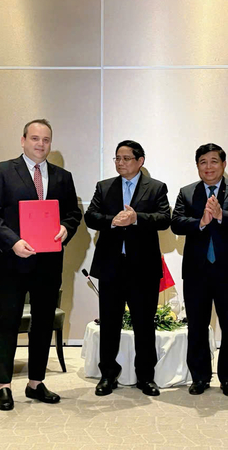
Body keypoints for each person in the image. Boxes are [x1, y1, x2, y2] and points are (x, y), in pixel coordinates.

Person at [0, 118, 81, 410]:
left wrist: (66, 228)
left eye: (46, 140)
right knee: (8, 322)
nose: (40, 144)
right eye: (35, 138)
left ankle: (36, 382)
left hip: (49, 263)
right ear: (23, 140)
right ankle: (4, 385)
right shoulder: (1, 171)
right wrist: (12, 242)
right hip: (13, 261)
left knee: (43, 323)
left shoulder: (63, 176)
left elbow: (73, 214)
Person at [85, 140, 171, 397]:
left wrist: (137, 219)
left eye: (126, 159)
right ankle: (107, 375)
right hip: (112, 265)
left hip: (142, 267)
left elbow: (165, 219)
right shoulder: (104, 187)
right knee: (109, 323)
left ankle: (146, 377)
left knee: (144, 324)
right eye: (117, 159)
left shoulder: (155, 188)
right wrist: (113, 221)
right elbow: (90, 216)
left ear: (140, 161)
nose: (120, 163)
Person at [170, 143, 228, 396]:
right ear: (197, 166)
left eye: (214, 161)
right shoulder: (187, 193)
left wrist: (221, 216)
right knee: (197, 326)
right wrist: (202, 222)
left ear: (223, 164)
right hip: (197, 271)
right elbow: (176, 223)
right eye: (203, 162)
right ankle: (200, 377)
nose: (209, 167)